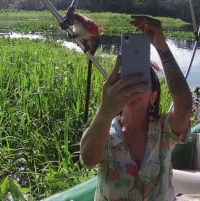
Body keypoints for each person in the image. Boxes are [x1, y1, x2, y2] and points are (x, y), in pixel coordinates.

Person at [80, 15, 192, 201]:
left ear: (153, 96)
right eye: (127, 81)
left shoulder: (163, 131)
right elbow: (88, 159)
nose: (133, 87)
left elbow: (184, 106)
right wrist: (104, 111)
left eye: (141, 82)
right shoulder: (105, 131)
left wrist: (162, 48)